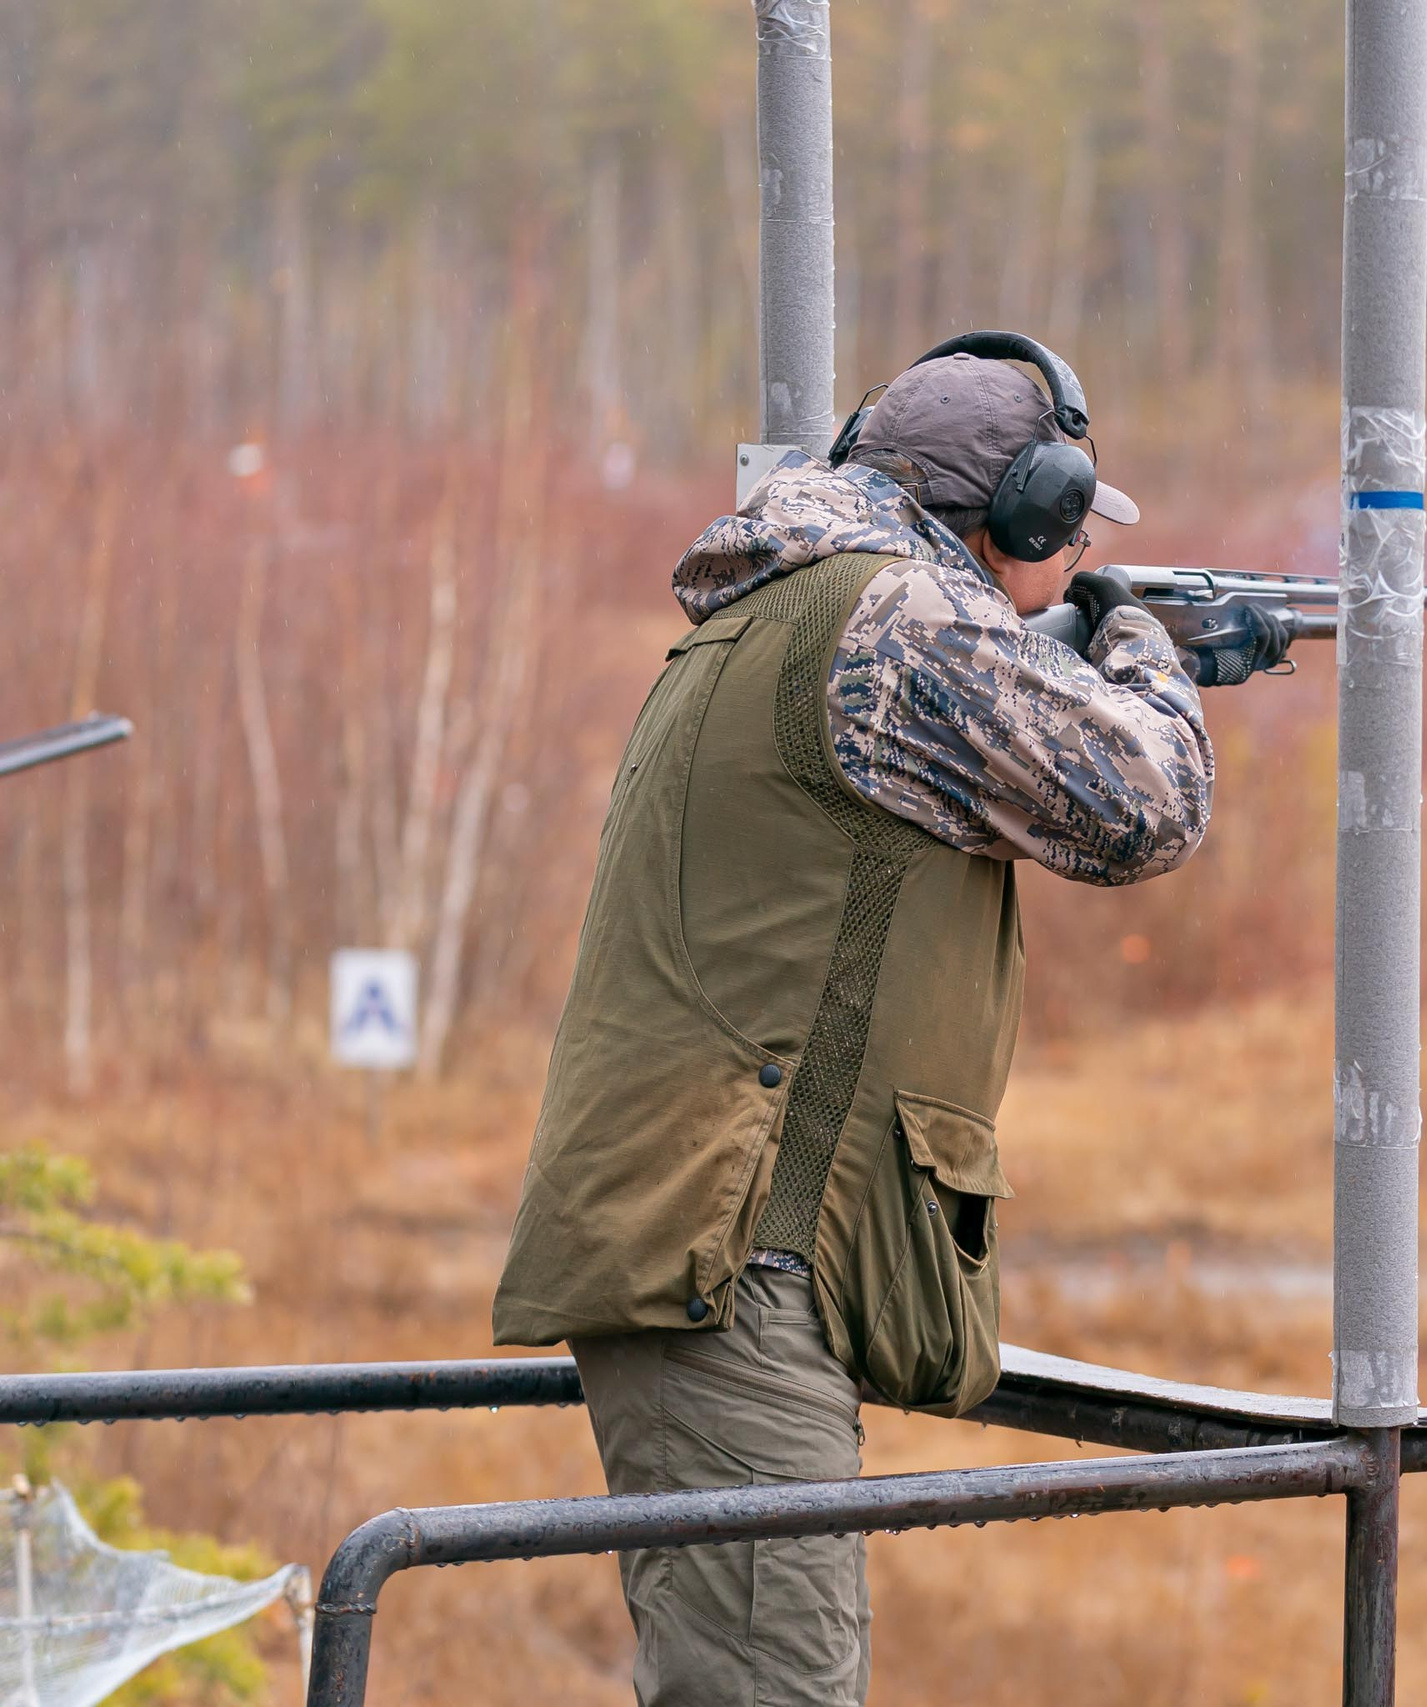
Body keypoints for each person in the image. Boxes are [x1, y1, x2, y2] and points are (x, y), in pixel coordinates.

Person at [491, 338, 1211, 1704]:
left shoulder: (787, 603)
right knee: (771, 1687)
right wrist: (1141, 645)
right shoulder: (896, 620)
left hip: (723, 1243)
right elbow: (1145, 804)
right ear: (1030, 514)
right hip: (727, 1254)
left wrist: (1085, 638)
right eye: (1070, 539)